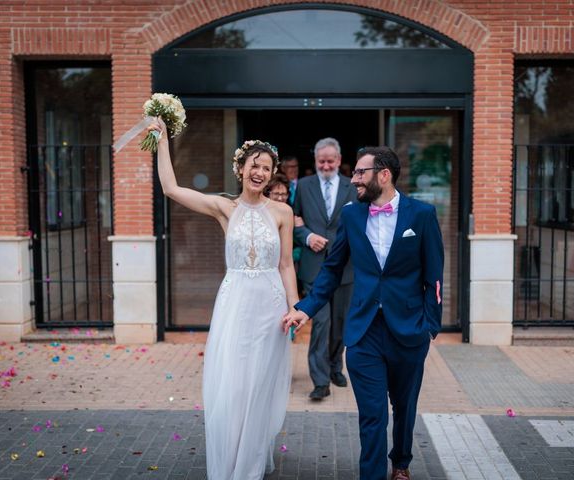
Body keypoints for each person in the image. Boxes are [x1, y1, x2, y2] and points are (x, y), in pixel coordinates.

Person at [149, 118, 298, 480]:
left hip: (270, 307)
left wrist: (295, 306)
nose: (259, 172)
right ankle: (230, 456)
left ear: (272, 173)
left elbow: (286, 264)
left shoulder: (283, 212)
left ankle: (248, 464)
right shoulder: (223, 208)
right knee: (233, 385)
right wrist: (163, 141)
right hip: (234, 303)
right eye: (254, 165)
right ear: (241, 168)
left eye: (266, 167)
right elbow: (170, 188)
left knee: (258, 385)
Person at [283, 146, 444, 480]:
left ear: (383, 175)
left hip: (409, 330)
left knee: (404, 408)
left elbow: (435, 276)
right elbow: (331, 268)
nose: (353, 178)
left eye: (360, 172)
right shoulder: (352, 215)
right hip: (364, 331)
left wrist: (430, 325)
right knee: (372, 415)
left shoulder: (422, 215)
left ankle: (401, 462)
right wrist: (305, 308)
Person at [293, 137, 358, 400]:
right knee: (321, 323)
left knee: (340, 325)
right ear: (316, 161)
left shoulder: (352, 187)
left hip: (346, 268)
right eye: (321, 161)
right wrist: (308, 236)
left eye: (331, 161)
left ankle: (334, 366)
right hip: (314, 268)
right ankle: (320, 382)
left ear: (339, 161)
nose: (326, 165)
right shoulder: (304, 186)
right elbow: (294, 220)